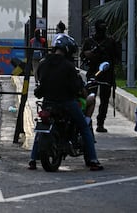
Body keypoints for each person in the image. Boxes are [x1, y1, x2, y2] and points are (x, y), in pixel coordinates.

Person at [28, 34, 103, 171]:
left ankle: (32, 159)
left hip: (48, 103)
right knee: (84, 127)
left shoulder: (43, 63)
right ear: (67, 49)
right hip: (66, 103)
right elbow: (76, 87)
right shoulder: (69, 66)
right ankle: (92, 160)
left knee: (41, 128)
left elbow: (39, 85)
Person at [81, 19, 119, 133]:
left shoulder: (110, 41)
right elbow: (82, 56)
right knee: (90, 98)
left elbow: (116, 57)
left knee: (104, 100)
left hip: (107, 74)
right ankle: (87, 121)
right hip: (93, 73)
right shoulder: (89, 41)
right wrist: (89, 54)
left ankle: (100, 123)